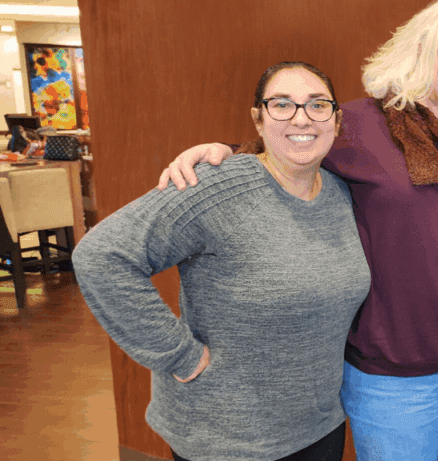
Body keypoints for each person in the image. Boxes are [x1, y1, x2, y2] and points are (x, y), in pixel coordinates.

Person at [159, 0, 438, 461]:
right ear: (420, 50)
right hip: (393, 372)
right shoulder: (363, 124)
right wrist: (221, 150)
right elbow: (285, 156)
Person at [74, 62, 371, 461]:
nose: (302, 118)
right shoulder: (217, 184)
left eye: (317, 105)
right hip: (226, 436)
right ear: (259, 119)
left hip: (318, 427)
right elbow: (101, 255)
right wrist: (178, 354)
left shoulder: (340, 192)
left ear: (334, 119)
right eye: (282, 104)